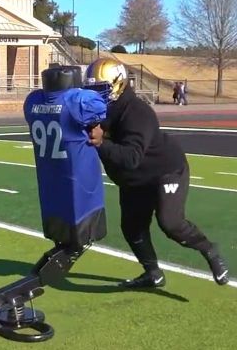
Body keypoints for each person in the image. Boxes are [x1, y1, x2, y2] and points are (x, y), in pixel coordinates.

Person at [84, 58, 229, 288]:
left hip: (165, 170)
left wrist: (102, 143)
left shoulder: (137, 112)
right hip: (134, 180)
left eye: (101, 89)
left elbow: (131, 157)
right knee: (132, 228)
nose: (95, 95)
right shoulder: (96, 112)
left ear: (118, 84)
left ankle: (210, 250)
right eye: (91, 89)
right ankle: (153, 273)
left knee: (171, 223)